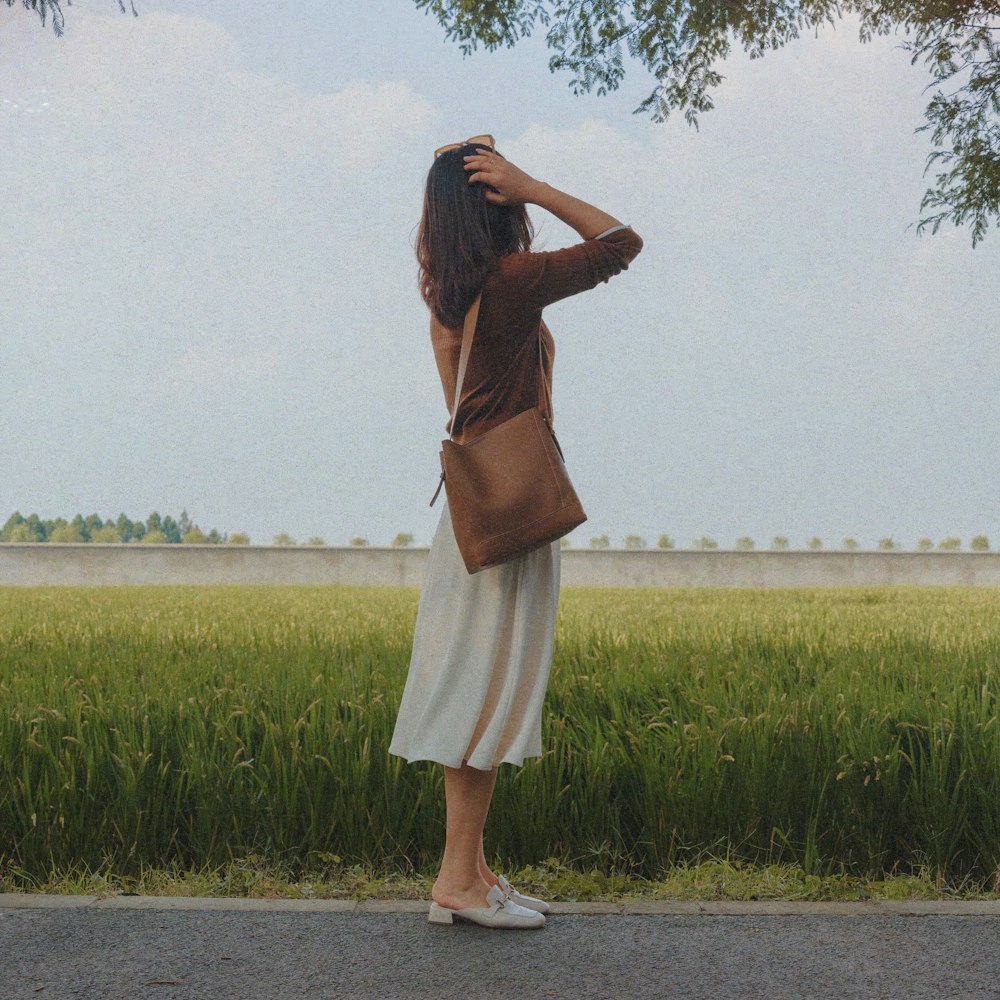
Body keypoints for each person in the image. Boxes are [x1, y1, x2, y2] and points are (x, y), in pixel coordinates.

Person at [388, 133, 644, 929]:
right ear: (491, 204)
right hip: (510, 514)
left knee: (479, 690)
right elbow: (619, 243)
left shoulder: (447, 293)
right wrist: (533, 186)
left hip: (475, 513)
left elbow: (462, 410)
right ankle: (455, 884)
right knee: (484, 695)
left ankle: (470, 871)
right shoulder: (509, 283)